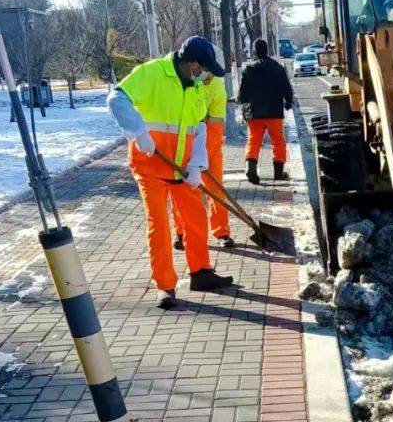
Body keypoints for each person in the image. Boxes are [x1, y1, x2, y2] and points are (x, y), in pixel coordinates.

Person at [107, 36, 234, 310]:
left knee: (196, 216)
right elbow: (116, 98)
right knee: (160, 224)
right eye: (206, 70)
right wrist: (139, 132)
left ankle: (201, 272)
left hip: (181, 168)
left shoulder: (194, 87)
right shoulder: (152, 73)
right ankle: (165, 285)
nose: (207, 77)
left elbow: (198, 128)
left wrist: (196, 164)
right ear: (194, 65)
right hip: (150, 165)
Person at [172, 75, 235, 250]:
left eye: (210, 73)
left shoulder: (217, 89)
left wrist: (202, 158)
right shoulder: (181, 83)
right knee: (181, 189)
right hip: (183, 144)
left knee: (216, 189)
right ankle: (181, 231)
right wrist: (189, 156)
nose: (207, 76)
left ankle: (221, 232)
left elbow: (215, 128)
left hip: (210, 148)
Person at [238, 38, 294, 184]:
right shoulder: (278, 68)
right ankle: (278, 172)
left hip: (254, 113)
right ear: (267, 50)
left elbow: (242, 94)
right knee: (278, 141)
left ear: (254, 51)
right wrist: (288, 102)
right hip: (274, 112)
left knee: (253, 141)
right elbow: (286, 88)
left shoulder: (249, 69)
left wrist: (244, 109)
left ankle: (251, 168)